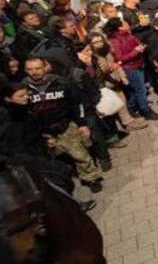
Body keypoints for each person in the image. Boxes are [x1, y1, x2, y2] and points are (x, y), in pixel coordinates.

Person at [23, 55, 105, 192]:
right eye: (30, 69)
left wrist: (82, 124)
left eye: (38, 68)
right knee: (54, 162)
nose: (34, 72)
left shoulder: (61, 83)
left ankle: (91, 178)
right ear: (25, 70)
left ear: (45, 67)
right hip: (42, 133)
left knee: (80, 155)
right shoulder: (24, 89)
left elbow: (76, 104)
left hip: (65, 126)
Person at [103, 18, 158, 121]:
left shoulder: (128, 34)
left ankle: (133, 108)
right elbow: (120, 58)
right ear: (120, 27)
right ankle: (146, 111)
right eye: (125, 23)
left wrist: (141, 47)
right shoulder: (114, 40)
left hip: (138, 64)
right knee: (141, 90)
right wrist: (135, 52)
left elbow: (137, 43)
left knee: (134, 90)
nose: (128, 24)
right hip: (130, 68)